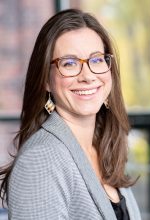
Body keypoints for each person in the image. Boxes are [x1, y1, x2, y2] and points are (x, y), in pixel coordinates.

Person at [0, 9, 141, 220]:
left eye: (96, 60)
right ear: (46, 80)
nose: (87, 76)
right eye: (69, 63)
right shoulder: (40, 160)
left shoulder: (105, 150)